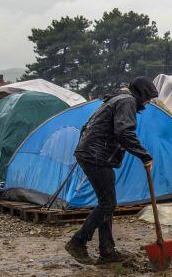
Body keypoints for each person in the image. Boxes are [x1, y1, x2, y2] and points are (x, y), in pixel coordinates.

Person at [64, 77, 159, 265]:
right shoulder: (127, 101)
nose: (147, 103)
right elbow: (124, 132)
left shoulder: (116, 99)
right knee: (108, 203)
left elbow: (89, 127)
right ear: (141, 94)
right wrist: (144, 155)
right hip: (96, 156)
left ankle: (107, 251)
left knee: (106, 202)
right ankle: (78, 241)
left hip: (91, 154)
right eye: (148, 98)